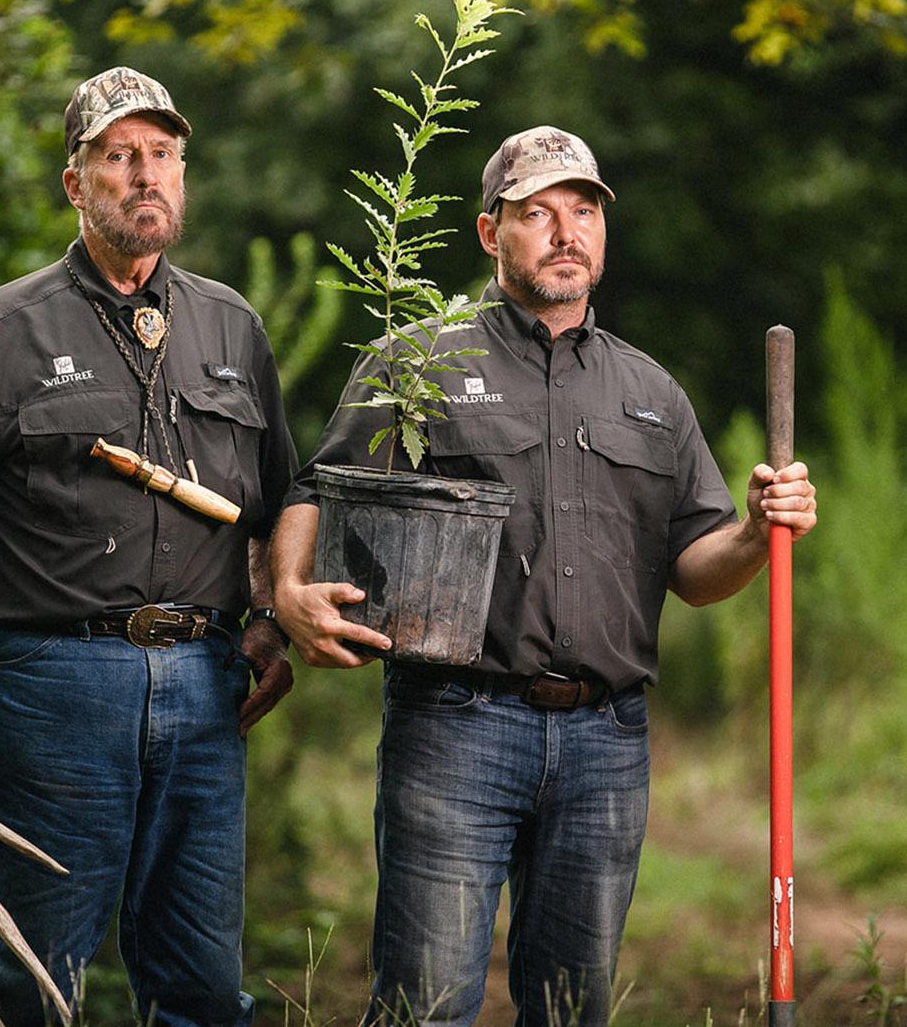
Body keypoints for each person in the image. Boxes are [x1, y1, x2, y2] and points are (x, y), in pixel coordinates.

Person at [271, 125, 819, 1025]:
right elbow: (315, 492)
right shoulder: (420, 365)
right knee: (426, 1004)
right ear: (492, 234)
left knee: (571, 1010)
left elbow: (695, 567)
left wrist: (759, 534)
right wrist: (291, 593)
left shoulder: (653, 393)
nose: (567, 233)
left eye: (584, 213)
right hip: (456, 727)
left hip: (607, 744)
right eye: (538, 214)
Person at [0, 66, 297, 1027]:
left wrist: (269, 619)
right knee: (31, 973)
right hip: (58, 682)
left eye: (162, 156)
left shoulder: (233, 325)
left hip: (205, 686)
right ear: (76, 183)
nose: (144, 176)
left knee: (198, 980)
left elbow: (276, 508)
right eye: (118, 157)